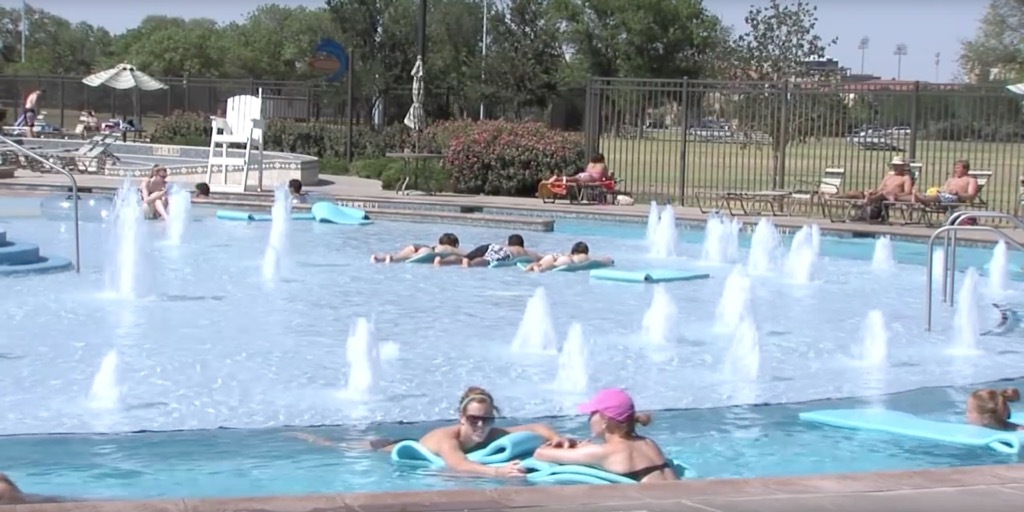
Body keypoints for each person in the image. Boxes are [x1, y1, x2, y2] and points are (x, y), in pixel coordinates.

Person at [294, 386, 571, 478]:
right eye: (473, 419)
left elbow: (535, 427)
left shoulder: (493, 432)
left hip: (408, 444)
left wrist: (556, 438)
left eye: (486, 419)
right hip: (390, 447)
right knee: (336, 447)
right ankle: (302, 435)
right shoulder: (448, 439)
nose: (480, 425)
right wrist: (498, 472)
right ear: (461, 418)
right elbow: (459, 464)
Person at [533, 388, 678, 483]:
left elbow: (540, 453)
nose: (589, 418)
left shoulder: (603, 452)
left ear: (605, 420)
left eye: (592, 413)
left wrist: (558, 442)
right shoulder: (648, 443)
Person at [834, 155, 914, 203]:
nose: (895, 167)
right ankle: (835, 197)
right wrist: (873, 191)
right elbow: (879, 189)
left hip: (890, 197)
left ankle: (869, 200)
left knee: (884, 193)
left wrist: (896, 195)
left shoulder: (906, 178)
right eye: (894, 165)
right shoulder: (888, 176)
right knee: (854, 193)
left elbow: (907, 192)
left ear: (903, 166)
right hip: (879, 195)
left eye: (898, 165)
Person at [906, 159, 979, 206]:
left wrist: (957, 193)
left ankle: (919, 197)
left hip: (956, 198)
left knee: (936, 197)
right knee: (933, 194)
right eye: (955, 168)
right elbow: (944, 189)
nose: (955, 170)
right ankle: (914, 197)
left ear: (965, 169)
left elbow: (971, 196)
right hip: (943, 196)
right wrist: (941, 190)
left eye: (958, 168)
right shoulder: (951, 179)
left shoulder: (971, 180)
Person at [523, 241, 612, 272]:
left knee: (544, 265)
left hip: (555, 256)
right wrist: (608, 260)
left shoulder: (569, 254)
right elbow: (604, 261)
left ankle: (534, 265)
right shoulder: (585, 257)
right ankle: (536, 267)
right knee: (547, 268)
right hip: (567, 261)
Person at [371, 233, 461, 263]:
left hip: (416, 246)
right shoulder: (448, 248)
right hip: (427, 250)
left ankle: (379, 258)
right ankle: (390, 259)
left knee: (398, 255)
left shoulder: (436, 245)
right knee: (408, 257)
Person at [461, 234, 541, 268]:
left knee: (484, 258)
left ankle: (468, 261)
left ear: (508, 243)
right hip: (505, 252)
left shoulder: (508, 247)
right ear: (522, 244)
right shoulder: (531, 253)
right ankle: (470, 264)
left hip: (493, 247)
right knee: (487, 260)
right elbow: (543, 258)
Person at [543, 153, 610, 185]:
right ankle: (558, 178)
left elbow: (587, 171)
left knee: (572, 179)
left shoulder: (590, 164)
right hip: (591, 177)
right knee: (572, 179)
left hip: (583, 174)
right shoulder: (602, 165)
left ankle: (558, 178)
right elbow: (606, 177)